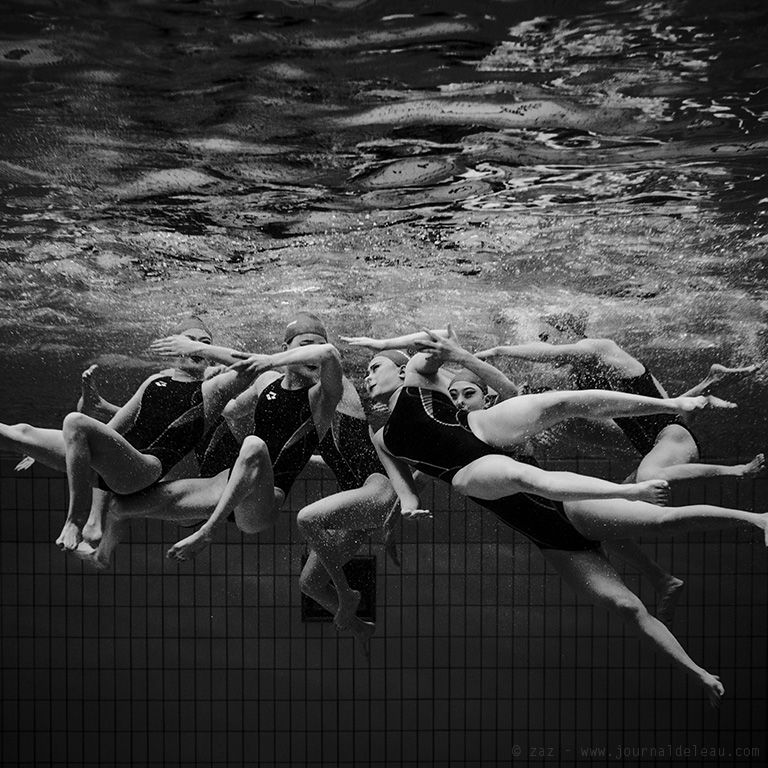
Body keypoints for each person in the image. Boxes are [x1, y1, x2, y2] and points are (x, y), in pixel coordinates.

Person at [356, 336, 768, 707]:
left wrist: (448, 351)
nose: (369, 376)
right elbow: (406, 487)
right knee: (627, 606)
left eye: (375, 366)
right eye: (367, 370)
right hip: (550, 539)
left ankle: (757, 518)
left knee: (660, 519)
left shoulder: (472, 412)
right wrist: (400, 515)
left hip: (571, 506)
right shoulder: (385, 437)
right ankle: (697, 671)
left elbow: (451, 365)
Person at [80, 312, 345, 569]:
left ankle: (207, 531)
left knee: (253, 446)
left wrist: (202, 349)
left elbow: (330, 354)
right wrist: (212, 384)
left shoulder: (324, 395)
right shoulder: (266, 381)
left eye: (318, 346)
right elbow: (228, 411)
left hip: (264, 499)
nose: (314, 353)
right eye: (306, 345)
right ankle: (100, 556)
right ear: (286, 347)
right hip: (228, 480)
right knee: (121, 506)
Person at [0, 316, 230, 550]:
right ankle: (94, 524)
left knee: (76, 422)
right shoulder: (154, 381)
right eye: (190, 340)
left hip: (155, 472)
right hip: (126, 461)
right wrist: (41, 452)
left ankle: (78, 519)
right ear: (175, 348)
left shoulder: (214, 386)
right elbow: (114, 429)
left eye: (205, 343)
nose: (197, 346)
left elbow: (241, 375)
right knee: (20, 433)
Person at [476, 311, 763, 483]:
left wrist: (500, 351)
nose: (544, 346)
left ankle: (737, 470)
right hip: (660, 433)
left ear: (570, 333)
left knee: (649, 478)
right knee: (627, 496)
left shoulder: (600, 348)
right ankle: (712, 381)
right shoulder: (583, 374)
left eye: (547, 337)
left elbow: (551, 355)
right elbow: (660, 404)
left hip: (670, 438)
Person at [296, 374, 399, 651]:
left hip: (378, 492)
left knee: (308, 518)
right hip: (362, 504)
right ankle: (360, 628)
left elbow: (329, 369)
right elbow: (343, 461)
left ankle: (346, 595)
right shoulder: (319, 425)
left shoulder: (345, 401)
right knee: (310, 584)